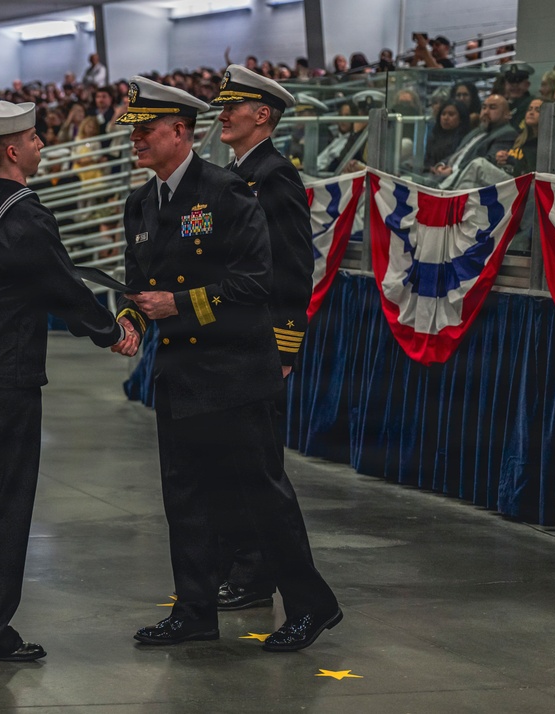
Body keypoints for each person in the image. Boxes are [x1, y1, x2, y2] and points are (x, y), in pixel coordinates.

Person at [113, 76, 341, 652]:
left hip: (235, 371)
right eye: (134, 131)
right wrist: (132, 323)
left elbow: (259, 281)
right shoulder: (140, 203)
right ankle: (193, 609)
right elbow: (139, 285)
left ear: (179, 132)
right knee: (185, 497)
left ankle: (312, 605)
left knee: (263, 495)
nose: (136, 140)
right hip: (179, 374)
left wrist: (178, 305)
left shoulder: (228, 191)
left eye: (146, 131)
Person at [0, 100, 137, 662]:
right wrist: (110, 329)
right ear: (12, 150)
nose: (41, 144)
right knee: (0, 505)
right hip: (6, 376)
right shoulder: (26, 214)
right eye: (33, 138)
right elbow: (62, 285)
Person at [211, 65, 315, 613]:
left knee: (255, 464)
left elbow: (295, 268)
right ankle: (238, 565)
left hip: (261, 343)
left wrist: (285, 344)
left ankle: (257, 574)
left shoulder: (274, 176)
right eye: (221, 105)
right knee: (230, 461)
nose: (222, 114)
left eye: (234, 107)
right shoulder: (235, 174)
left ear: (264, 115)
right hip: (232, 342)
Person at [424, 99, 471, 170]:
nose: (446, 118)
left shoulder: (465, 139)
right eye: (443, 114)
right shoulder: (433, 136)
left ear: (461, 118)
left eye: (451, 114)